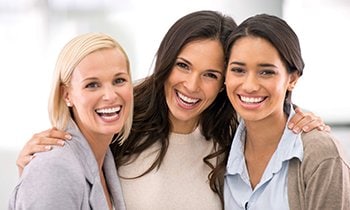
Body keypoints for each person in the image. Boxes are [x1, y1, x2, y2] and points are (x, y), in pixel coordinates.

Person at [14, 11, 329, 210]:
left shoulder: (230, 136)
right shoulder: (123, 116)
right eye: (183, 66)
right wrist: (34, 161)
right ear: (166, 62)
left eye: (210, 75)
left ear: (223, 82)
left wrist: (297, 113)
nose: (192, 86)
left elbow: (261, 99)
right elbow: (71, 157)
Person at [223, 14, 350, 209]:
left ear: (292, 79)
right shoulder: (218, 143)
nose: (249, 86)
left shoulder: (321, 155)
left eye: (266, 72)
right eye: (238, 70)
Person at [9, 32, 133, 209]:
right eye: (92, 85)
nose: (110, 95)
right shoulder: (53, 168)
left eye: (119, 80)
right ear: (66, 95)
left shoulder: (105, 160)